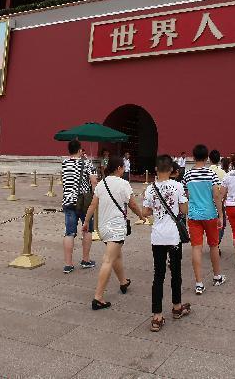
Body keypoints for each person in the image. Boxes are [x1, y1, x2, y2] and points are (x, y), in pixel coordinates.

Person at [83, 156, 144, 310]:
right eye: (123, 167)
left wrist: (85, 222)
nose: (124, 170)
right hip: (116, 227)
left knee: (116, 255)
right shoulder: (124, 184)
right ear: (118, 168)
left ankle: (123, 282)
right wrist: (142, 216)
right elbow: (133, 205)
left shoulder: (101, 184)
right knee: (108, 259)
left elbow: (93, 205)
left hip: (103, 227)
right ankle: (98, 297)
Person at [140, 154, 190, 331]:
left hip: (157, 236)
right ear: (171, 170)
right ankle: (177, 307)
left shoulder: (150, 189)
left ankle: (157, 316)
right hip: (173, 236)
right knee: (176, 273)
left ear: (155, 169)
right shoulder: (178, 186)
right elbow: (184, 209)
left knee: (158, 275)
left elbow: (146, 212)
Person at [182, 144, 226, 294]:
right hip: (210, 214)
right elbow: (216, 195)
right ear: (207, 158)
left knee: (196, 247)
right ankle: (217, 276)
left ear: (193, 157)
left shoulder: (187, 175)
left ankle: (199, 283)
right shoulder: (211, 174)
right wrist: (220, 214)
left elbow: (185, 195)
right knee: (214, 246)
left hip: (194, 216)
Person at [60, 139, 97, 274]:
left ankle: (68, 264)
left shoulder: (64, 163)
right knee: (87, 229)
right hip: (84, 201)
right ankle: (85, 260)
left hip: (68, 201)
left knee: (69, 232)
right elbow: (93, 181)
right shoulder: (87, 163)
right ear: (80, 150)